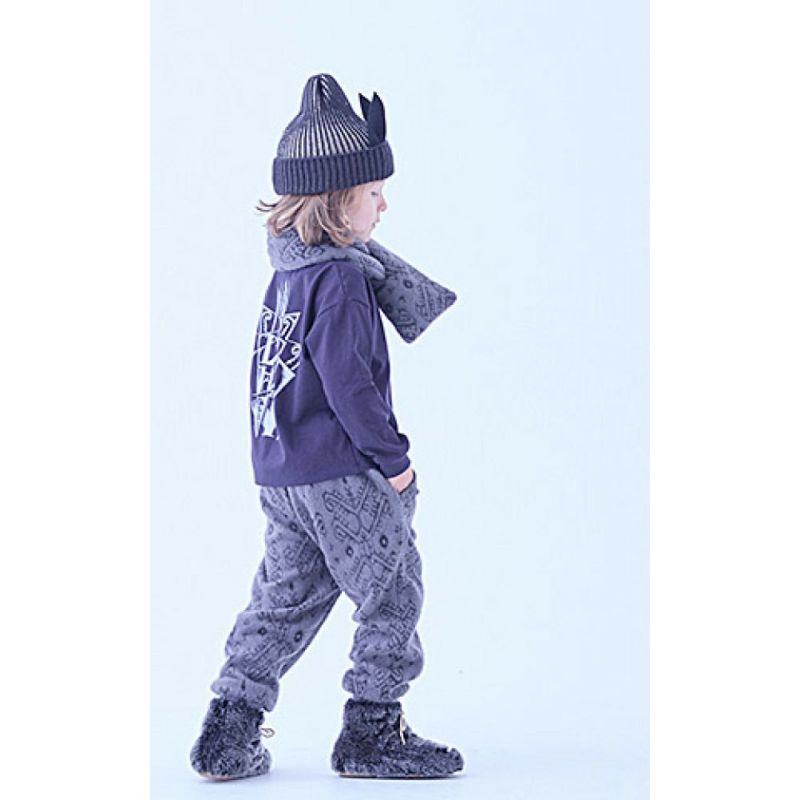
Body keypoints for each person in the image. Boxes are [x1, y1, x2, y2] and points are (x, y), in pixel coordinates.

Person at [189, 73, 464, 781]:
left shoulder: (290, 273)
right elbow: (350, 385)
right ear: (339, 202)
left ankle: (227, 731)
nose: (383, 204)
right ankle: (372, 732)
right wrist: (394, 462)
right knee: (392, 589)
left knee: (283, 601)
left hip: (285, 474)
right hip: (341, 473)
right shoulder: (341, 280)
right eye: (373, 192)